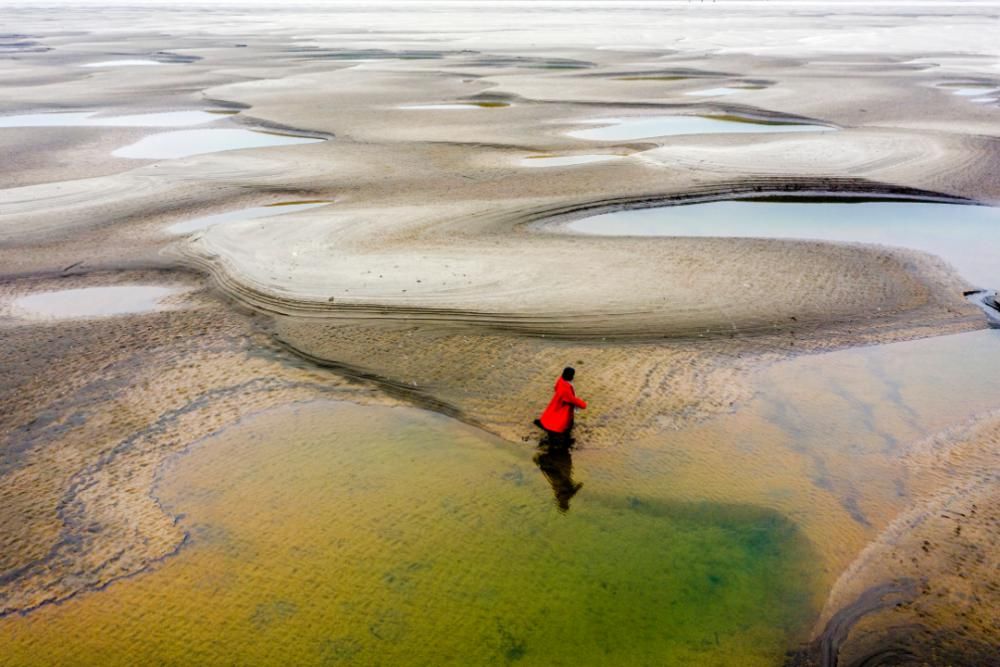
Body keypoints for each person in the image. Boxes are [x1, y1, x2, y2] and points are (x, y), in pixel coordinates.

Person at [535, 366, 587, 447]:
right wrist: (583, 404)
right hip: (564, 408)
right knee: (565, 424)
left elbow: (556, 388)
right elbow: (572, 399)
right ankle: (562, 440)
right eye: (573, 375)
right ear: (571, 376)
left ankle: (552, 432)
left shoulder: (560, 380)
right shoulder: (566, 387)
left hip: (557, 402)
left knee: (552, 416)